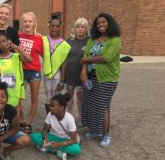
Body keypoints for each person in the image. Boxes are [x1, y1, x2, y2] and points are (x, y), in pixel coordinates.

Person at [80, 13, 121, 147]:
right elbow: (85, 54)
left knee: (103, 107)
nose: (101, 25)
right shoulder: (93, 39)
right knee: (91, 105)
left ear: (110, 23)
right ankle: (94, 130)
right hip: (91, 77)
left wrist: (87, 60)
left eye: (104, 22)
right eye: (98, 23)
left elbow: (107, 58)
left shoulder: (114, 39)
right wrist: (84, 72)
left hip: (107, 79)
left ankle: (105, 134)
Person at [30, 93, 81, 160]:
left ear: (61, 107)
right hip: (51, 137)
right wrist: (45, 139)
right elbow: (45, 130)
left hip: (64, 140)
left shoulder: (69, 118)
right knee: (33, 136)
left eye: (53, 106)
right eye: (50, 106)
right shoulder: (50, 114)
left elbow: (74, 140)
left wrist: (58, 144)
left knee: (76, 149)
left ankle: (51, 149)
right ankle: (57, 151)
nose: (50, 108)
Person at [18, 12, 43, 134]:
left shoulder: (39, 38)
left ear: (34, 23)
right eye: (25, 21)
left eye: (30, 21)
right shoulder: (17, 36)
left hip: (34, 72)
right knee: (18, 98)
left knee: (34, 98)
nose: (27, 23)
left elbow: (45, 55)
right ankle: (21, 120)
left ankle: (28, 122)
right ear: (22, 23)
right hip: (20, 71)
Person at [0, 33, 32, 108]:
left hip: (14, 90)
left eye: (4, 41)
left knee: (14, 110)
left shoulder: (16, 56)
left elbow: (30, 60)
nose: (2, 44)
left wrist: (18, 48)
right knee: (1, 109)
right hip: (0, 90)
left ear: (9, 41)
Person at [63, 18, 89, 126]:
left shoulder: (89, 41)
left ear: (86, 29)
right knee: (69, 96)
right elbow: (63, 57)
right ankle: (69, 117)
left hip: (82, 74)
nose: (80, 29)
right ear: (75, 28)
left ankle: (81, 117)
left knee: (80, 97)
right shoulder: (69, 40)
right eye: (78, 27)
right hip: (70, 73)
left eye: (82, 27)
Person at [42, 17, 71, 114]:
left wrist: (62, 81)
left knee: (57, 99)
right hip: (46, 73)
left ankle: (57, 120)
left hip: (57, 75)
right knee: (48, 99)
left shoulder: (64, 44)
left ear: (60, 27)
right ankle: (49, 120)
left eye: (57, 26)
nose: (54, 28)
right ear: (49, 26)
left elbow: (64, 63)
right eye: (52, 26)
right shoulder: (43, 40)